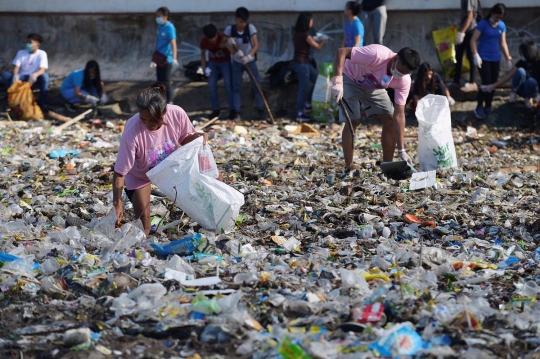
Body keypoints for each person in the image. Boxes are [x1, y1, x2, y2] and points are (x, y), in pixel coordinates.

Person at [113, 83, 209, 235]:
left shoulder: (176, 114)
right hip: (140, 176)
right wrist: (117, 203)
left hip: (170, 170)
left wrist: (197, 138)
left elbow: (185, 140)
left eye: (153, 120)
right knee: (144, 224)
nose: (148, 124)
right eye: (144, 119)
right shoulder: (132, 131)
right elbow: (119, 172)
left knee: (210, 187)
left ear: (165, 112)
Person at [331, 45, 420, 169]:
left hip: (374, 86)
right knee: (353, 120)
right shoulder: (377, 54)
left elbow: (399, 115)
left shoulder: (404, 80)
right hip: (350, 78)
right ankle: (349, 165)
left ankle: (387, 166)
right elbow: (341, 52)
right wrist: (337, 81)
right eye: (399, 71)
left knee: (390, 120)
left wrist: (401, 150)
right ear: (395, 59)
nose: (398, 75)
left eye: (404, 73)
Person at [470, 3, 511, 119]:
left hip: (495, 58)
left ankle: (488, 106)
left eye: (500, 17)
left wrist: (508, 58)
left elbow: (503, 43)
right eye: (497, 16)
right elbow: (473, 40)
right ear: (492, 13)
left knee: (493, 83)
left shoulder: (501, 26)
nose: (498, 19)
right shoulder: (483, 24)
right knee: (486, 82)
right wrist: (475, 55)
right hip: (483, 58)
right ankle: (479, 106)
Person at [224, 7, 265, 121]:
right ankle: (237, 112)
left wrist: (248, 56)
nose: (243, 24)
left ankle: (261, 110)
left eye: (244, 22)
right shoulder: (230, 30)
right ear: (236, 19)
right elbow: (226, 44)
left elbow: (256, 45)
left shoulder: (250, 28)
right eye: (241, 21)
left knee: (257, 85)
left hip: (249, 61)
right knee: (236, 87)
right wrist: (234, 53)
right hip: (237, 62)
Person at [481, 41, 540, 109]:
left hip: (533, 90)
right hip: (522, 89)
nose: (520, 55)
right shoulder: (521, 62)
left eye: (522, 53)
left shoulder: (538, 63)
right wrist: (492, 86)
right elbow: (507, 77)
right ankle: (513, 93)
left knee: (531, 81)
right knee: (520, 71)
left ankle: (528, 98)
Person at [1, 33, 49, 112]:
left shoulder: (42, 54)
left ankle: (42, 102)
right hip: (21, 77)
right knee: (5, 75)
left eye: (30, 42)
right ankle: (12, 96)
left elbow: (42, 70)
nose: (28, 44)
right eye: (27, 42)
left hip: (33, 79)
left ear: (37, 44)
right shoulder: (21, 53)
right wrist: (15, 76)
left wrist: (35, 75)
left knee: (45, 77)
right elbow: (16, 67)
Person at [293, 12, 327, 122]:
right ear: (307, 22)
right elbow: (318, 47)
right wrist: (324, 40)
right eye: (311, 21)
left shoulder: (298, 33)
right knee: (303, 88)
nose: (312, 23)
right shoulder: (305, 35)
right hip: (302, 63)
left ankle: (307, 104)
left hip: (302, 62)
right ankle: (300, 113)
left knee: (317, 81)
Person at [200, 24, 235, 121]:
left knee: (228, 85)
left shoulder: (222, 37)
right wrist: (204, 68)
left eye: (215, 37)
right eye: (211, 39)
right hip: (213, 63)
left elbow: (230, 45)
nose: (213, 40)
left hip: (225, 62)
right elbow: (202, 54)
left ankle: (232, 109)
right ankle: (215, 110)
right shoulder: (204, 41)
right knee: (211, 86)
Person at [150, 7, 178, 104]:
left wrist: (174, 58)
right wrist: (154, 59)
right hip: (159, 57)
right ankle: (161, 101)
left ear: (165, 16)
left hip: (167, 58)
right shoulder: (160, 27)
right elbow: (158, 43)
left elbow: (173, 44)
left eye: (159, 16)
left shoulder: (170, 27)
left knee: (166, 81)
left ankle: (169, 101)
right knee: (159, 81)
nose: (157, 18)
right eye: (156, 16)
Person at [454, 0, 482, 92]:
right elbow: (466, 15)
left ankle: (472, 82)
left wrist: (461, 33)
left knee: (470, 56)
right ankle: (456, 81)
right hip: (466, 28)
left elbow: (470, 16)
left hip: (470, 30)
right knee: (458, 55)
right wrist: (459, 21)